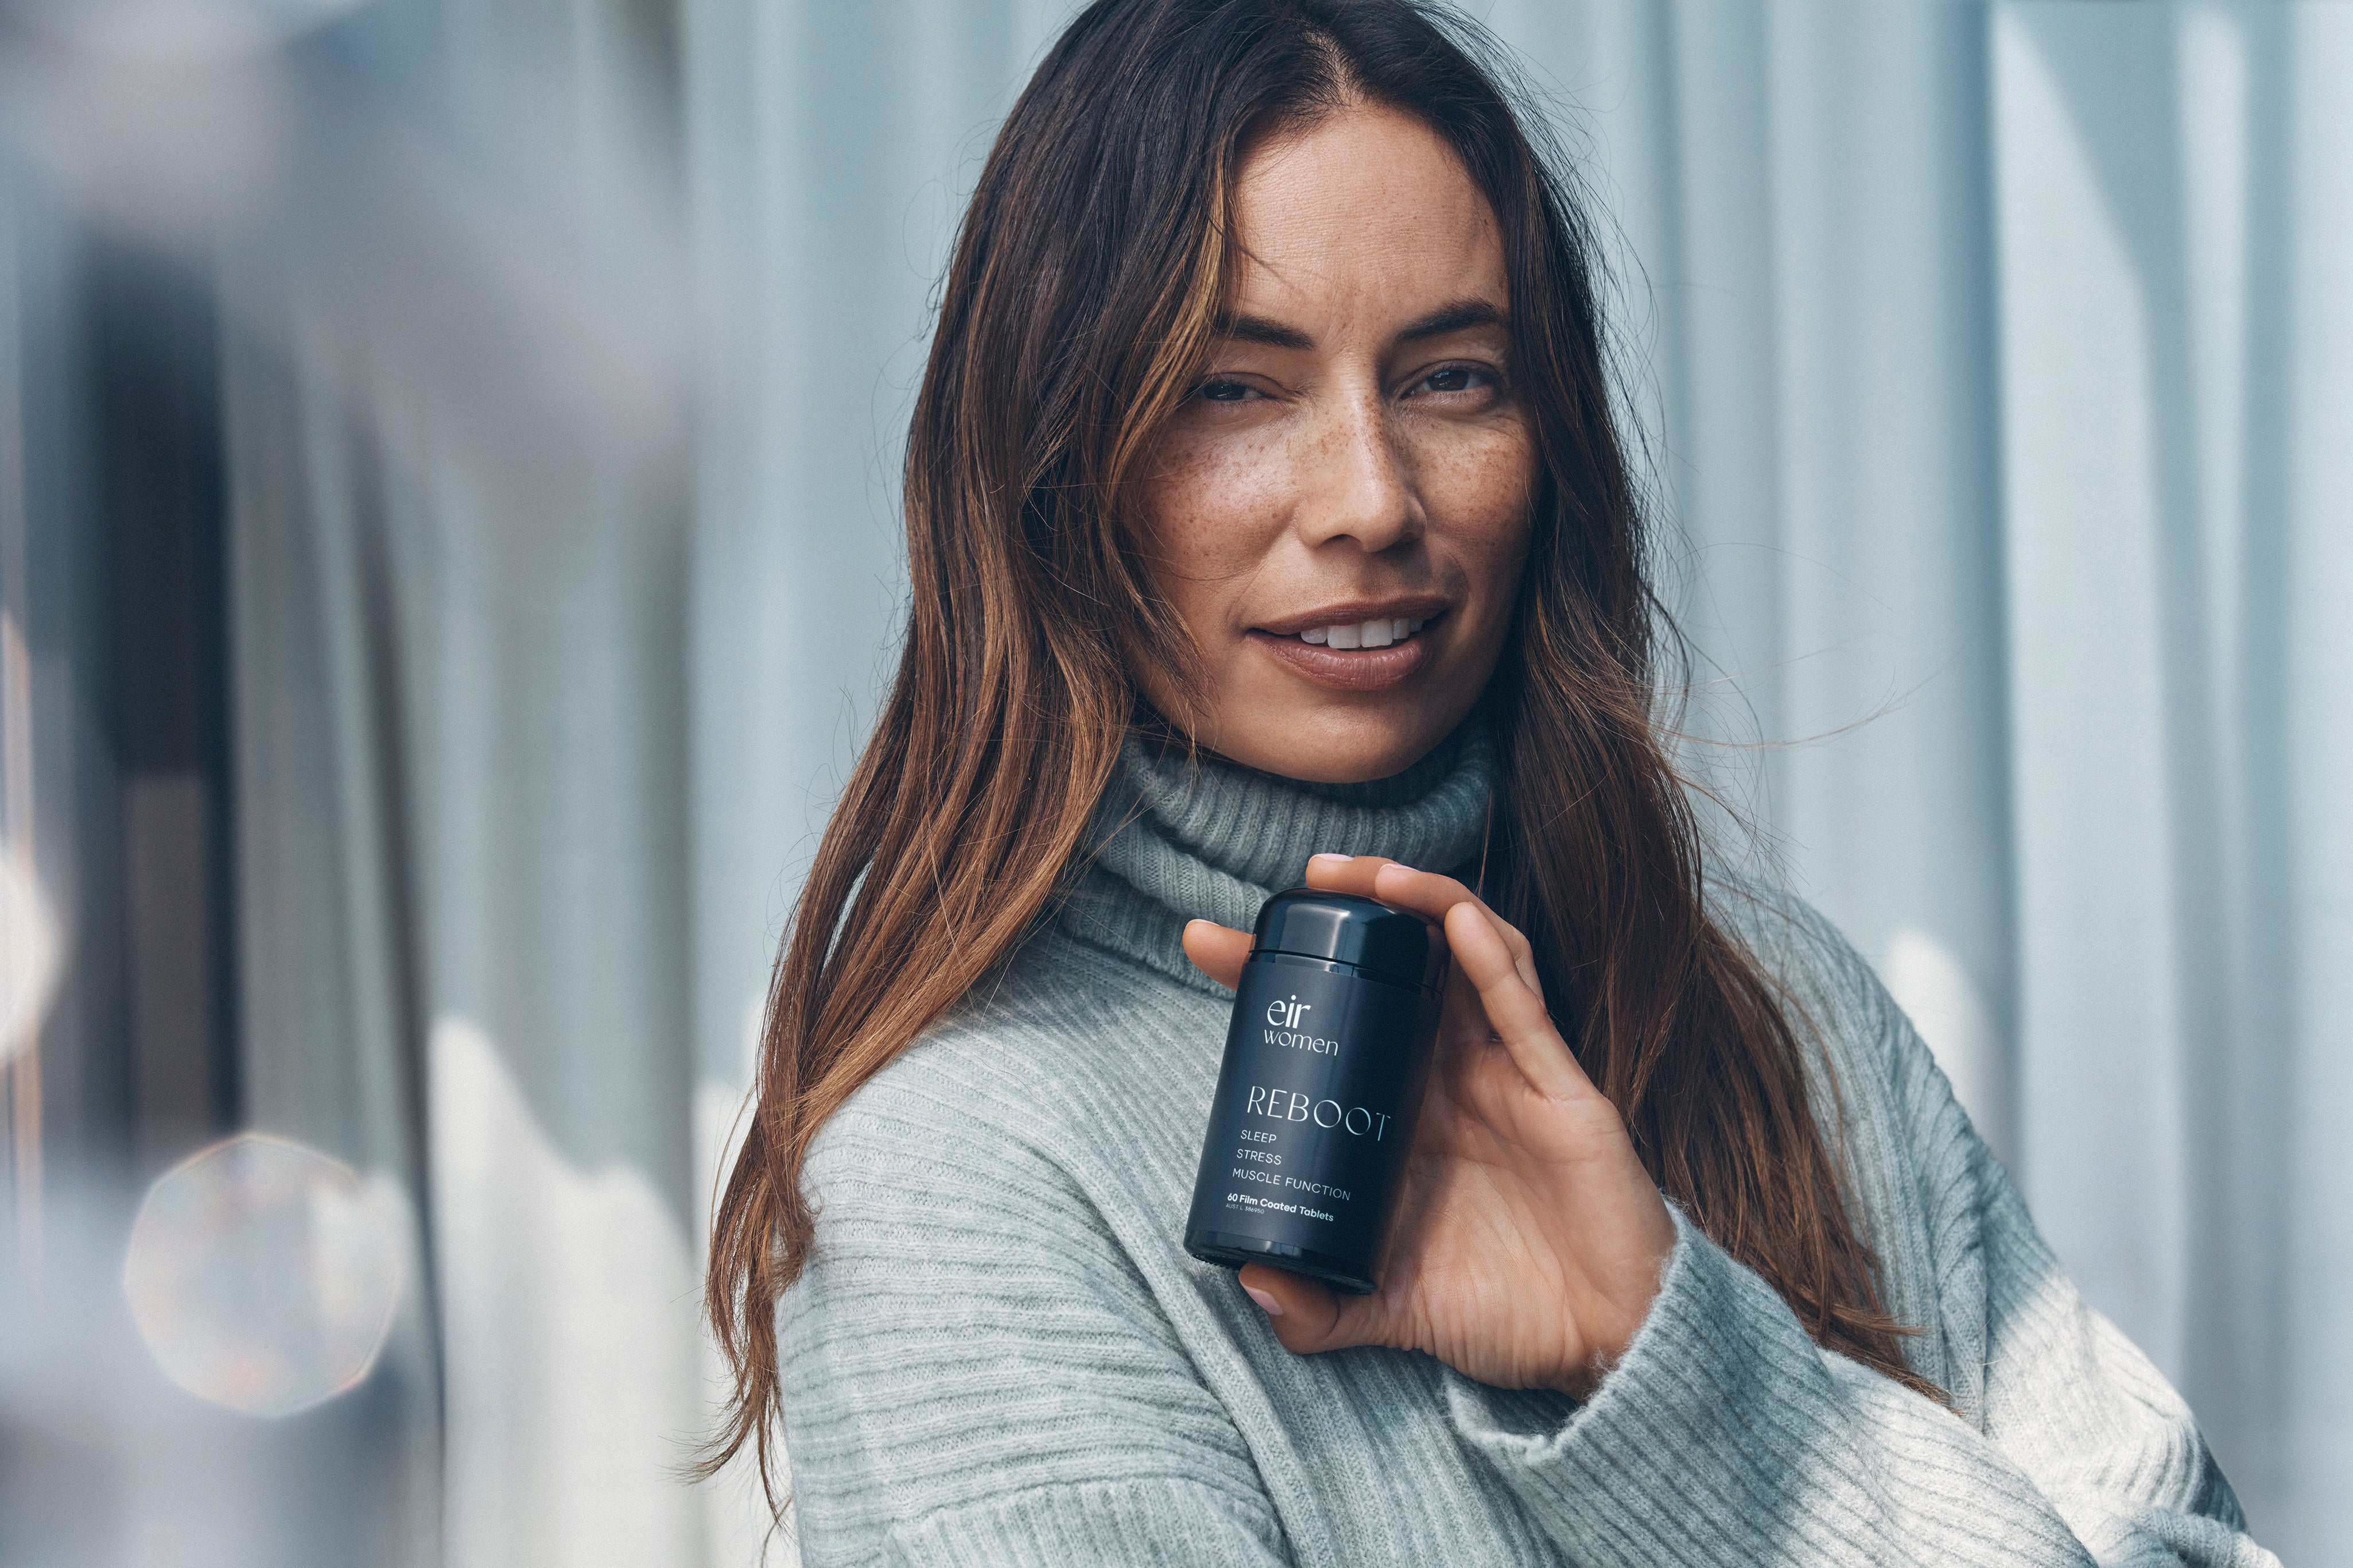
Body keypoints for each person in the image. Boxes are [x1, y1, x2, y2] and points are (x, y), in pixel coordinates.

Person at [703, 2, 2273, 1562]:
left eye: (1451, 378)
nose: (1372, 500)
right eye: (1231, 389)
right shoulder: (966, 1177)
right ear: (1051, 467)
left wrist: (1661, 1353)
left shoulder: (1767, 1002)